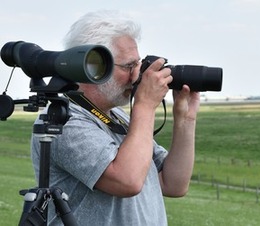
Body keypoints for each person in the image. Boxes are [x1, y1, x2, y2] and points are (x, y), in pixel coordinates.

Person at [31, 10, 200, 225]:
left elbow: (174, 184)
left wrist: (185, 120)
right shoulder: (62, 121)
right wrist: (145, 106)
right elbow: (127, 181)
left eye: (137, 64)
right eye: (129, 66)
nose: (137, 75)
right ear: (94, 67)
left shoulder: (118, 117)